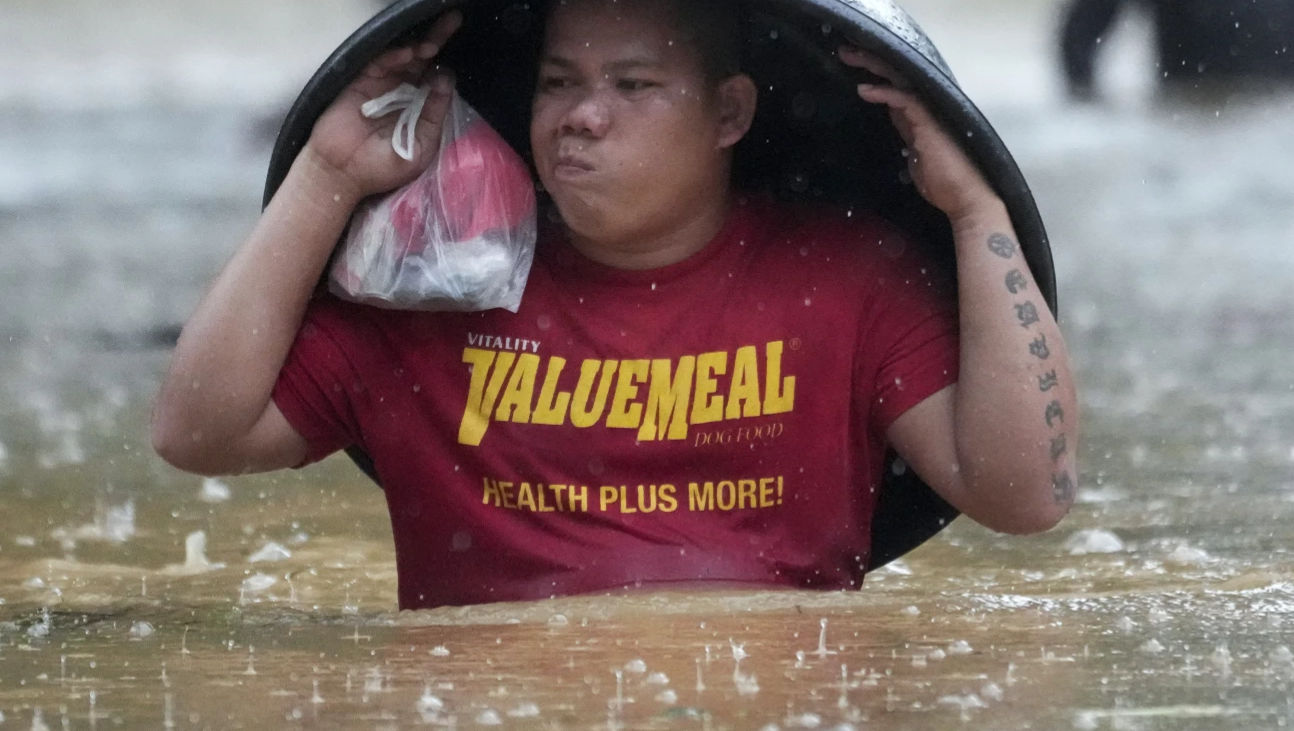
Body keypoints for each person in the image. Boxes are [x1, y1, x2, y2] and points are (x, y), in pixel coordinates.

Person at [152, 0, 1078, 609]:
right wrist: (325, 174)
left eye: (632, 86)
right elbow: (196, 432)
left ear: (729, 115)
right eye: (560, 84)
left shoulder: (849, 278)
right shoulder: (433, 290)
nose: (582, 116)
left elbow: (1028, 495)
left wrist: (973, 206)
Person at [1060, 0, 1294, 99]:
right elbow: (1080, 35)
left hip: (1276, 122)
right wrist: (1087, 106)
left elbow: (1078, 36)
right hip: (1187, 120)